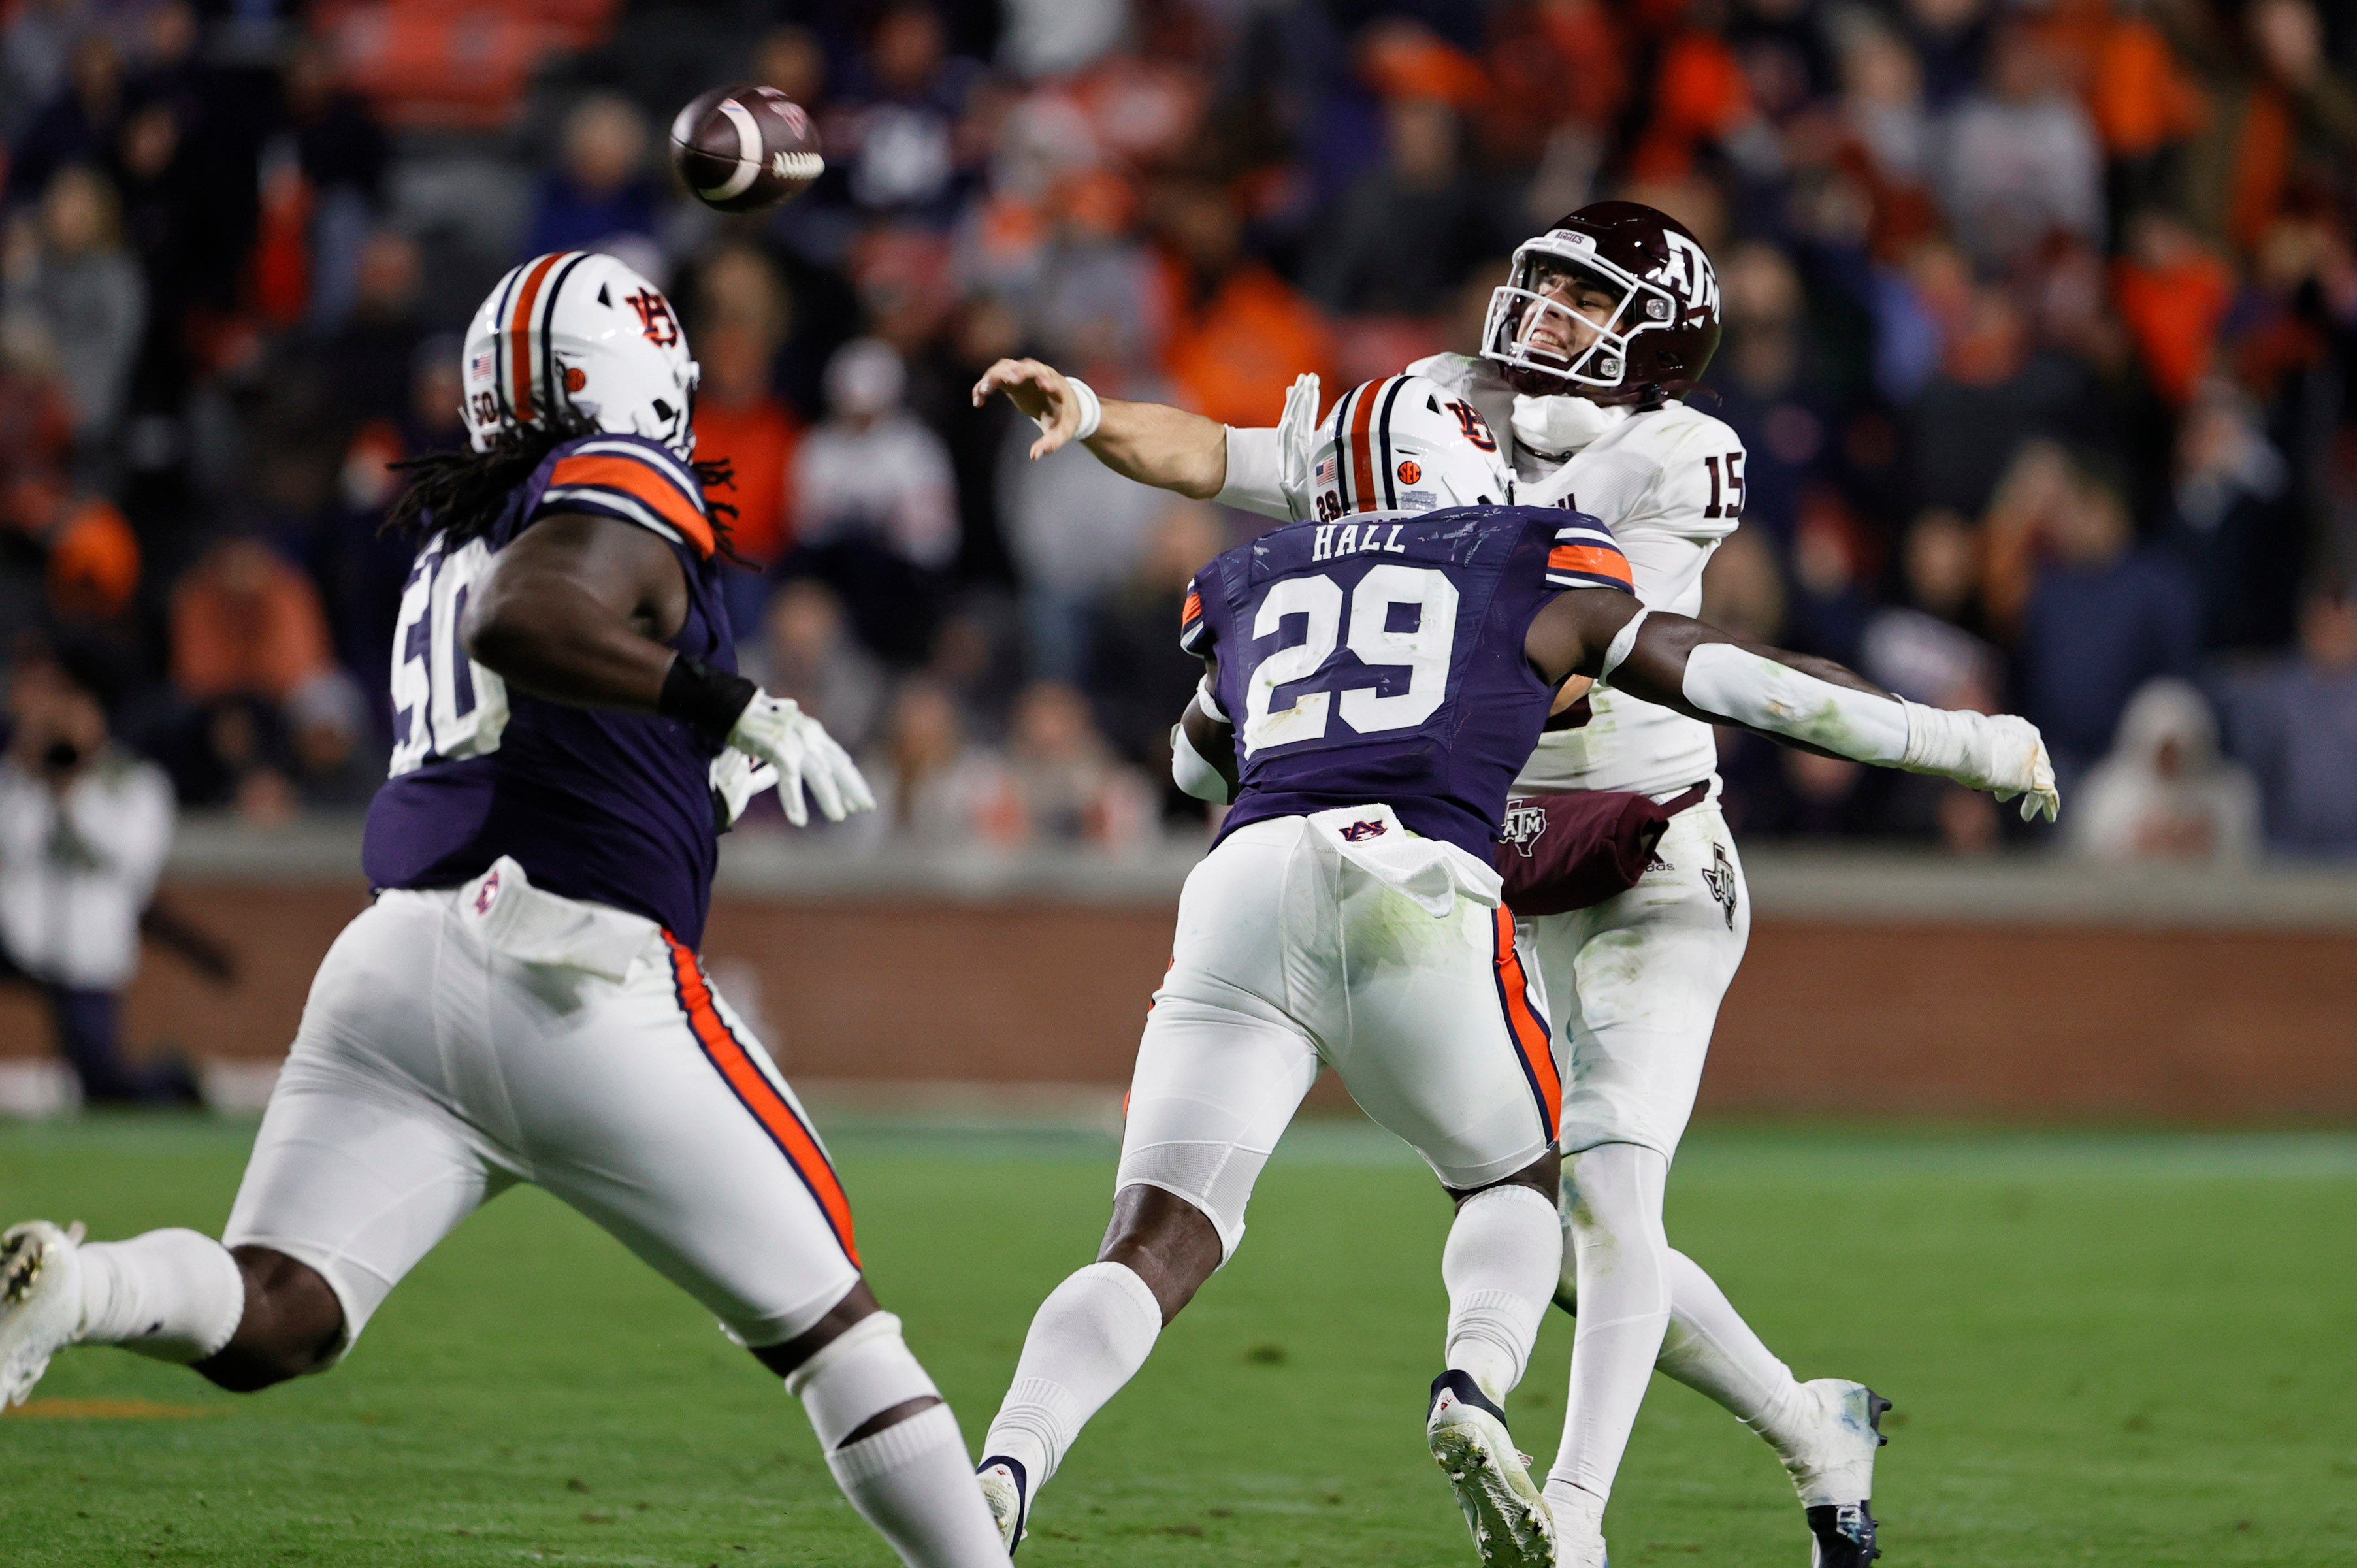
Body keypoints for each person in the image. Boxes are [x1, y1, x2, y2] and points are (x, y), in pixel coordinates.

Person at [0, 251, 1013, 1568]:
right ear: (638, 373)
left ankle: (82, 1287)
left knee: (284, 1314)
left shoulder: (467, 518)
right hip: (571, 975)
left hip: (397, 967)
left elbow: (537, 656)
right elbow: (525, 619)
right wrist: (729, 703)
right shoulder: (619, 479)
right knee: (839, 1333)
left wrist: (686, 764)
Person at [971, 200, 1934, 1567]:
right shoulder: (1415, 411)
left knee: (1577, 1202)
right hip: (1462, 854)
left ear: (1653, 350)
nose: (1542, 313)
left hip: (1632, 835)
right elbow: (1225, 455)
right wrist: (1098, 411)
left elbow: (1584, 663)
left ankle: (1575, 1518)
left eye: (1588, 303)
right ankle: (1769, 1423)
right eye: (1540, 284)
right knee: (1545, 1209)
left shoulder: (1672, 452)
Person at [0, 645, 191, 1105]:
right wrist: (32, 771)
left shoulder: (134, 783)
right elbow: (14, 844)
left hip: (88, 948)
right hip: (18, 934)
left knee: (103, 1084)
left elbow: (130, 862)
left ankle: (175, 1082)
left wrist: (74, 788)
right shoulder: (18, 775)